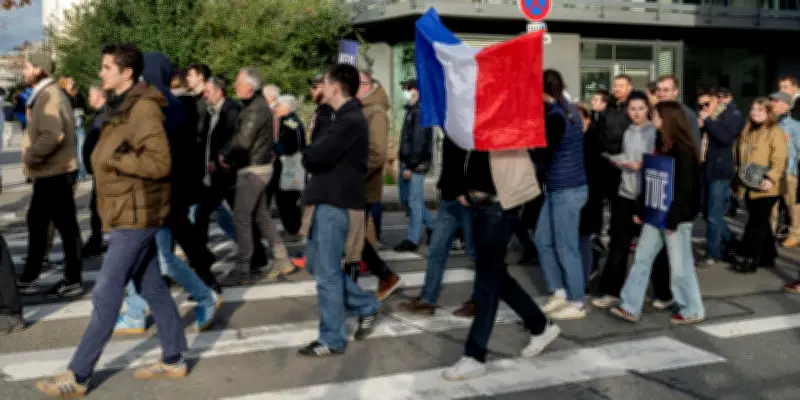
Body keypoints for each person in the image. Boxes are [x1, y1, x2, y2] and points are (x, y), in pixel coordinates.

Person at [34, 43, 187, 397]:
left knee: (105, 293)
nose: (101, 73)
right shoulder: (123, 104)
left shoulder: (144, 108)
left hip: (138, 213)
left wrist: (117, 161)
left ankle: (79, 374)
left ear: (126, 73)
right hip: (125, 209)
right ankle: (174, 358)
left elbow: (159, 163)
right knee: (153, 289)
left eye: (106, 67)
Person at [296, 64, 380, 357]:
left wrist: (310, 154)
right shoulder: (337, 117)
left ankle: (331, 338)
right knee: (317, 266)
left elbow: (316, 155)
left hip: (337, 202)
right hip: (327, 199)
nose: (321, 85)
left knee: (327, 273)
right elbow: (316, 153)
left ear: (336, 86)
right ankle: (366, 305)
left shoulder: (351, 120)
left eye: (325, 81)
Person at [609, 101, 704, 324]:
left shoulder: (684, 149)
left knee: (680, 267)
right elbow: (652, 177)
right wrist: (641, 208)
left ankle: (693, 309)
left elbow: (686, 189)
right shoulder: (662, 142)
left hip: (674, 217)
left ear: (668, 118)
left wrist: (675, 218)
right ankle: (629, 306)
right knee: (641, 258)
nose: (653, 119)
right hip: (655, 212)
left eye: (656, 115)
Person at [217, 67, 293, 285]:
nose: (235, 86)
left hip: (252, 170)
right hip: (258, 167)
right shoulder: (257, 106)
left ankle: (243, 269)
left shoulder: (254, 109)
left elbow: (242, 142)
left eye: (238, 83)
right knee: (261, 216)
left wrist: (227, 159)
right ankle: (281, 258)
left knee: (241, 218)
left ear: (250, 87)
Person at [17, 52, 84, 298]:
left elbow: (52, 135)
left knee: (48, 225)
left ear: (39, 70)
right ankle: (43, 277)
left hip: (54, 172)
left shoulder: (48, 96)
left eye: (26, 67)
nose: (23, 71)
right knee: (53, 226)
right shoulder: (48, 93)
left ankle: (36, 278)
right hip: (55, 171)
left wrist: (30, 156)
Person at [591, 91, 655, 309]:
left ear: (648, 109)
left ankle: (664, 292)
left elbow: (660, 164)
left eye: (640, 108)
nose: (636, 113)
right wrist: (618, 162)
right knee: (619, 243)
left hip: (647, 196)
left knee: (651, 248)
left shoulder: (654, 132)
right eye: (632, 109)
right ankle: (611, 290)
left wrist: (641, 165)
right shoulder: (627, 132)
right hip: (625, 192)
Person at [534, 70, 589, 320]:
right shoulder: (567, 109)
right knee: (542, 239)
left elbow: (543, 155)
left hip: (567, 189)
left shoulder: (558, 116)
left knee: (566, 247)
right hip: (560, 188)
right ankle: (559, 290)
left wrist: (527, 145)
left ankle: (577, 301)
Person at [732, 98, 788, 273]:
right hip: (748, 183)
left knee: (756, 222)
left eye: (760, 110)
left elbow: (780, 158)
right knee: (761, 220)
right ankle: (768, 255)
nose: (755, 112)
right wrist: (736, 176)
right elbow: (737, 156)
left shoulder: (775, 131)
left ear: (768, 113)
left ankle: (748, 256)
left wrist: (770, 178)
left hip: (767, 186)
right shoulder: (746, 131)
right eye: (753, 109)